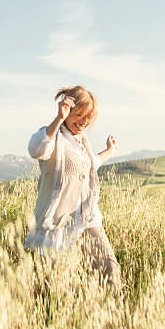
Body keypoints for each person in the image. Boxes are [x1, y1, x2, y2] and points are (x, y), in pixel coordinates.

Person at [25, 85, 122, 290]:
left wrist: (109, 151)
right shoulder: (53, 137)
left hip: (87, 218)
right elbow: (36, 149)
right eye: (80, 115)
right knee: (55, 284)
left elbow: (90, 164)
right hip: (58, 224)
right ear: (68, 111)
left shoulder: (82, 142)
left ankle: (115, 316)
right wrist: (58, 119)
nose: (84, 122)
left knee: (111, 269)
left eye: (89, 118)